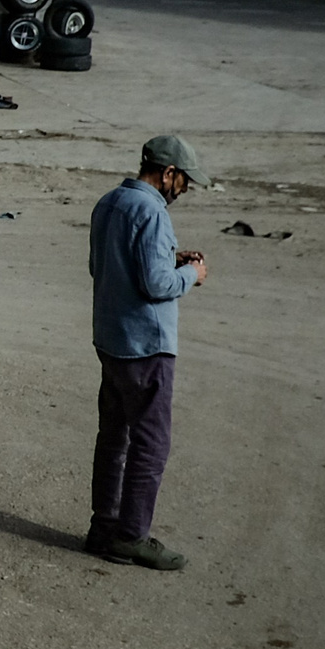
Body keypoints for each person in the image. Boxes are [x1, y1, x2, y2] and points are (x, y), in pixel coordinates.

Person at [86, 135, 208, 571]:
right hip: (148, 348)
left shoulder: (109, 202)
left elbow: (104, 264)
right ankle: (133, 536)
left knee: (113, 438)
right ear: (168, 174)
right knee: (150, 446)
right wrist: (191, 274)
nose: (185, 191)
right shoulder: (153, 211)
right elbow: (157, 285)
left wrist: (171, 257)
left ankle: (103, 527)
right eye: (185, 182)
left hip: (111, 342)